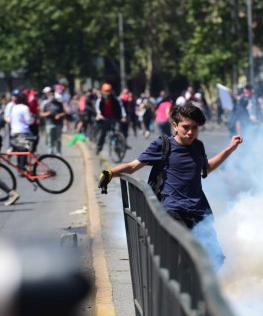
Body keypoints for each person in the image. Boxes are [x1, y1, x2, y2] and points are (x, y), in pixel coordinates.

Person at [98, 102, 243, 270]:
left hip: (198, 210)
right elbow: (132, 166)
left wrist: (230, 149)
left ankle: (198, 293)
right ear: (174, 125)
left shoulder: (198, 146)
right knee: (186, 255)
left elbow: (207, 168)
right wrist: (109, 173)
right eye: (186, 127)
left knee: (215, 258)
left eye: (195, 128)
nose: (190, 132)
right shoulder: (163, 146)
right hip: (173, 210)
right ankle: (183, 292)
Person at [95, 83, 124, 155]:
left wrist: (123, 116)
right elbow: (98, 108)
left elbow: (121, 108)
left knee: (118, 130)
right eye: (105, 91)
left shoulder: (115, 99)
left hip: (114, 117)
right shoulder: (100, 100)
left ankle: (119, 145)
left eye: (108, 91)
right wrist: (99, 114)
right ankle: (99, 147)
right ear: (102, 91)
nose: (107, 93)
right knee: (103, 133)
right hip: (104, 118)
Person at [8, 93, 34, 171]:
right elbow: (29, 121)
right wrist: (33, 119)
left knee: (20, 150)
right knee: (24, 150)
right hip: (23, 131)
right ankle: (22, 167)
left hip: (14, 131)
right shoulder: (25, 108)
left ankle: (20, 165)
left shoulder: (14, 107)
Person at [40, 89, 65, 155]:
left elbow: (64, 112)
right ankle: (50, 152)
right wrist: (47, 113)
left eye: (52, 94)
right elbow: (41, 114)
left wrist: (59, 115)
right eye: (49, 94)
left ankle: (58, 152)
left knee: (58, 139)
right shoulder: (46, 104)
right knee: (49, 138)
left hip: (58, 123)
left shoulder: (59, 104)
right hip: (49, 123)